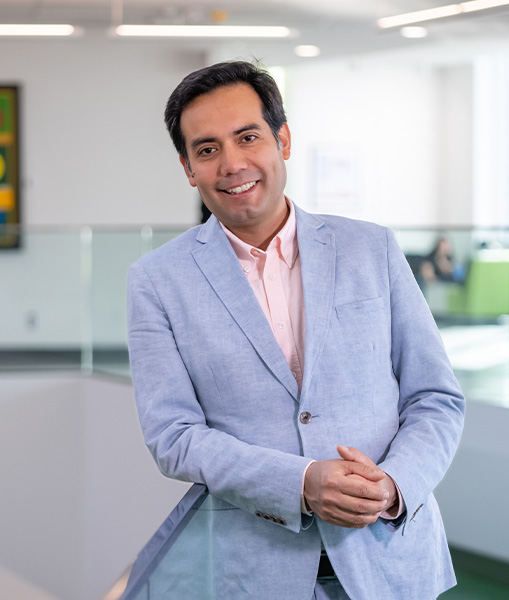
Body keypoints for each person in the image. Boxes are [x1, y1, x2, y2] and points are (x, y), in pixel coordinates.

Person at [126, 61, 465, 600]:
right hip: (252, 571)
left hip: (391, 559)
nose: (232, 163)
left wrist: (394, 483)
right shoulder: (157, 281)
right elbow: (173, 436)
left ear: (282, 139)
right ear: (189, 168)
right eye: (207, 149)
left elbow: (435, 397)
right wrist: (301, 482)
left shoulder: (370, 248)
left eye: (248, 137)